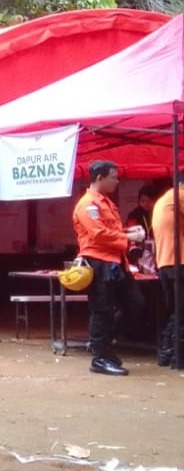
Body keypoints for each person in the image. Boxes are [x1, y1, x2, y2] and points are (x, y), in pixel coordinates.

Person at [74, 160, 147, 377]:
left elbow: (109, 231)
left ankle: (102, 344)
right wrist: (129, 237)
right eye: (113, 177)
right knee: (102, 310)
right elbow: (98, 234)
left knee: (136, 304)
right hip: (98, 262)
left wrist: (128, 232)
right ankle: (100, 357)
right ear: (100, 178)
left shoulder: (105, 202)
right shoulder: (87, 204)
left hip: (116, 262)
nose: (117, 181)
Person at [151, 173, 184, 368]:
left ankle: (167, 352)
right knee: (180, 311)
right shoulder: (179, 195)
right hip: (179, 261)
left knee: (176, 311)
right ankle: (175, 355)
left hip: (165, 262)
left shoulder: (163, 200)